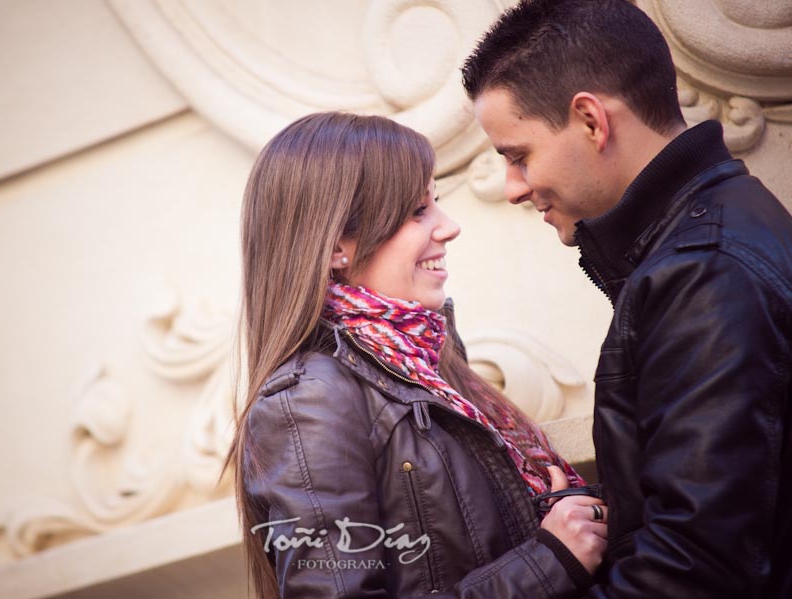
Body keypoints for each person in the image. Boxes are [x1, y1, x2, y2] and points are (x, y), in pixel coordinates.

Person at [461, 1, 792, 598]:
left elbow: (694, 570)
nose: (513, 188)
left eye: (518, 156)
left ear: (591, 120)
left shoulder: (703, 272)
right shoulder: (708, 238)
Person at [226, 111, 607, 598]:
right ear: (338, 245)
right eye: (416, 211)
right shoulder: (307, 403)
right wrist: (548, 563)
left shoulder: (427, 360)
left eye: (437, 203)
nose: (449, 228)